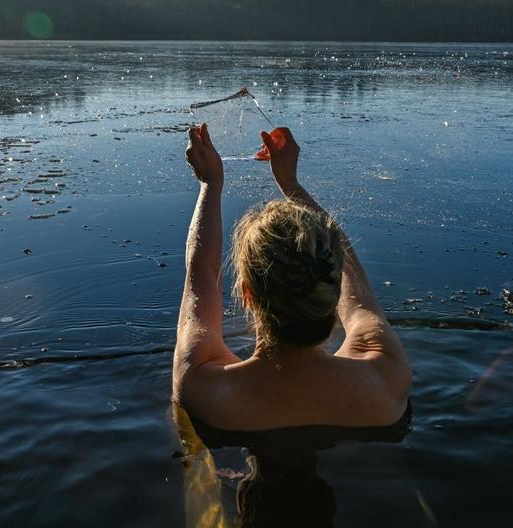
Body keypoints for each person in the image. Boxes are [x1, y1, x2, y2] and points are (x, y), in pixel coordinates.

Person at [173, 124, 411, 431]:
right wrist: (290, 183)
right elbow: (356, 285)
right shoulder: (386, 377)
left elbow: (201, 273)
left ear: (247, 294)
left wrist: (210, 183)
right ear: (333, 288)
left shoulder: (204, 388)